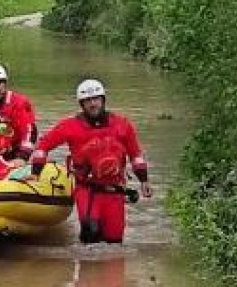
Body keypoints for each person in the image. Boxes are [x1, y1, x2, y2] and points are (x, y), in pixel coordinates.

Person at [28, 78, 152, 244]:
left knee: (114, 242)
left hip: (115, 191)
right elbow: (42, 147)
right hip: (87, 189)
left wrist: (144, 181)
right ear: (81, 104)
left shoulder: (122, 125)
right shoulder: (70, 126)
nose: (93, 104)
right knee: (91, 233)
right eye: (88, 101)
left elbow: (135, 155)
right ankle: (85, 266)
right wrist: (35, 174)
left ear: (103, 100)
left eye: (96, 99)